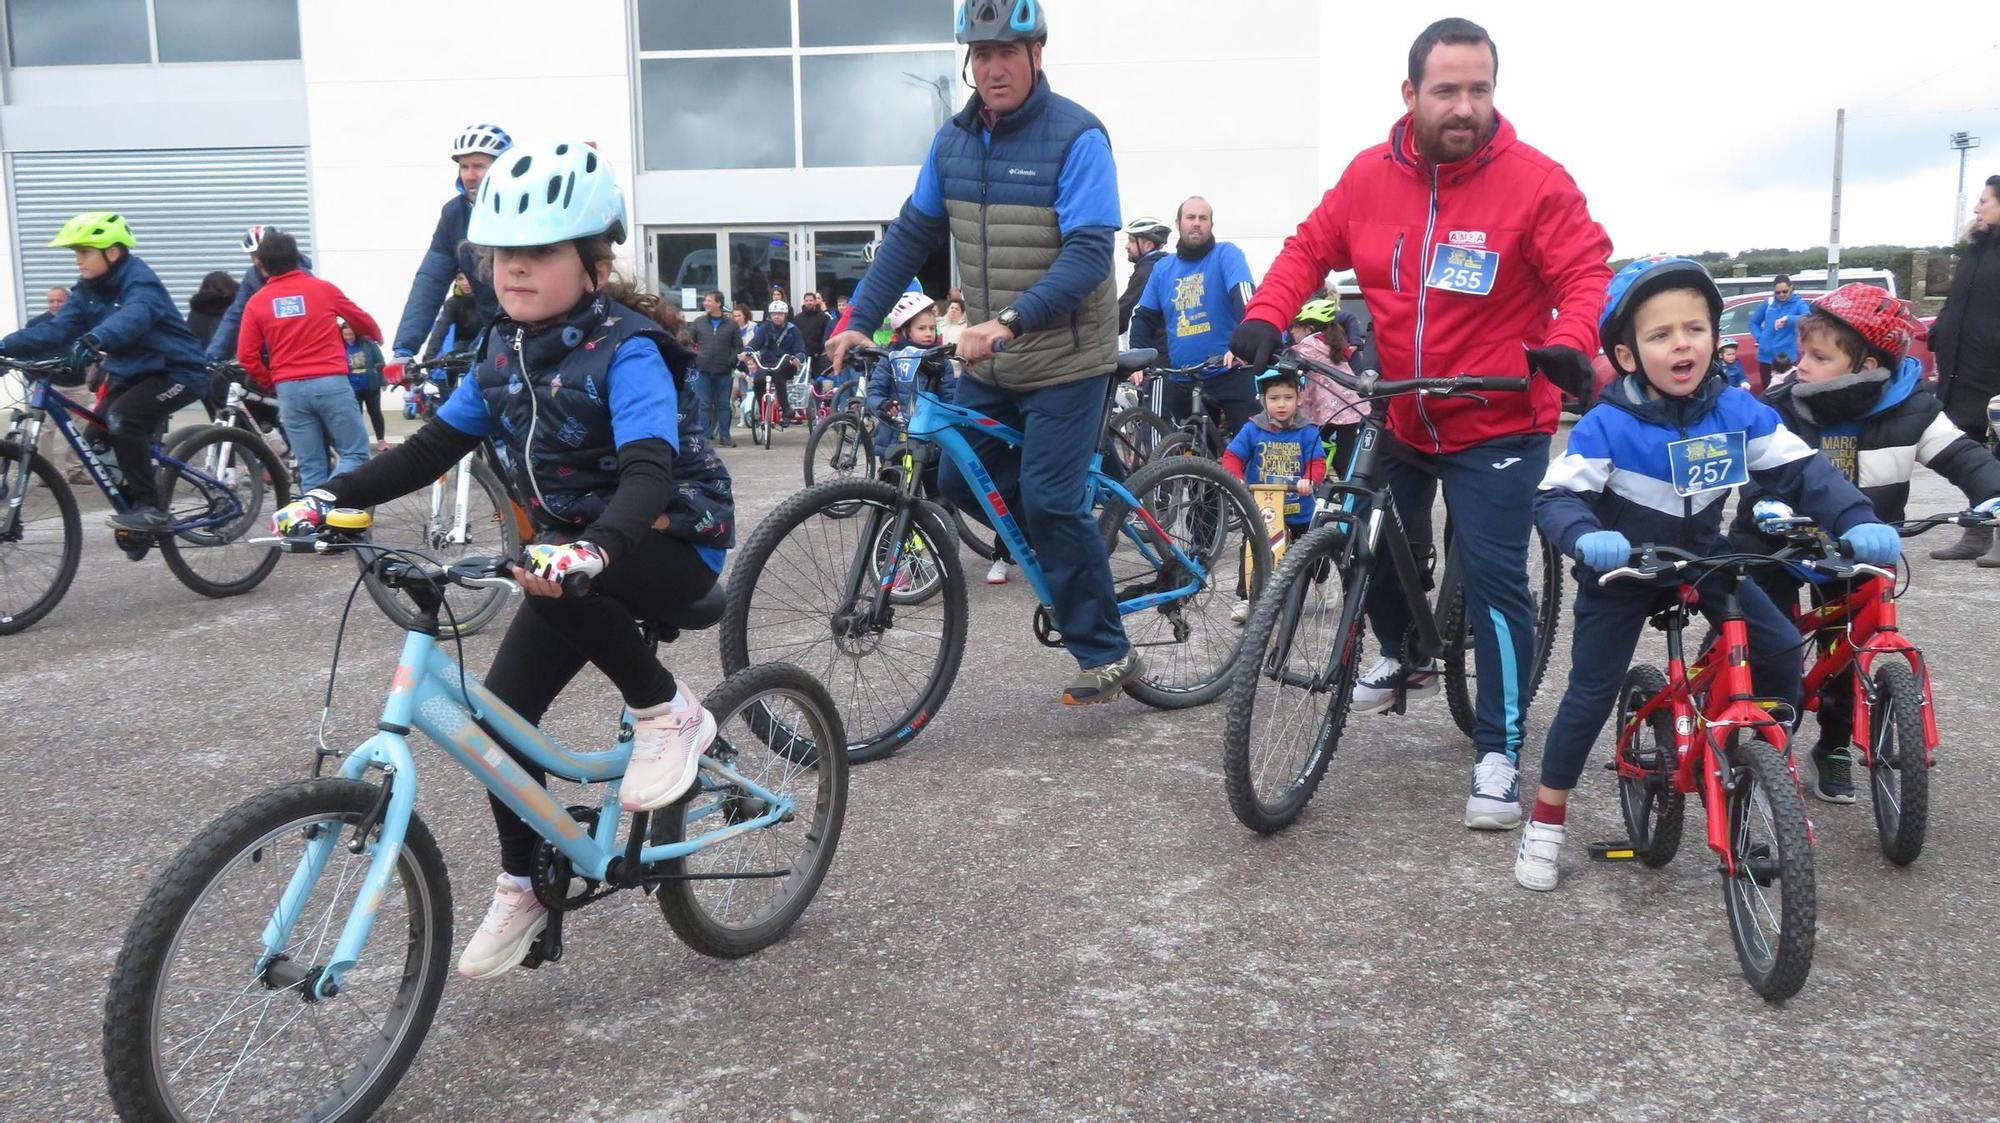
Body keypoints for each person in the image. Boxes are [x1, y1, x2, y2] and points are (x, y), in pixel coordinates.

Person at [271, 139, 734, 981]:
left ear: (591, 262)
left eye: (538, 252)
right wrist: (336, 494)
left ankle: (670, 711)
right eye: (500, 253)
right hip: (572, 561)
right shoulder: (500, 350)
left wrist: (596, 545)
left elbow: (646, 472)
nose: (512, 270)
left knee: (558, 576)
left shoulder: (628, 348)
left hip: (671, 540)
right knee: (497, 721)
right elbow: (432, 447)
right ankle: (523, 881)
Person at [1230, 17, 1613, 829]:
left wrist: (1572, 342)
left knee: (1499, 585)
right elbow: (1308, 246)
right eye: (1448, 90)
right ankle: (1403, 652)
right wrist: (1268, 312)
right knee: (1366, 534)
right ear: (1411, 95)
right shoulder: (1369, 176)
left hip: (1498, 416)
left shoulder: (1537, 183)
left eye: (1480, 89)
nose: (1465, 106)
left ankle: (1499, 753)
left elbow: (1585, 273)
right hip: (1401, 405)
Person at [1517, 257, 1895, 891]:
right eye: (1660, 334)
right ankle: (1546, 818)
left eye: (1693, 327)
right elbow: (1556, 496)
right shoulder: (1610, 423)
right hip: (1626, 569)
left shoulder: (1736, 411)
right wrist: (1588, 537)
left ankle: (1750, 759)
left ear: (1714, 337)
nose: (1680, 343)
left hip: (1706, 560)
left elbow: (1804, 473)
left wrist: (1856, 517)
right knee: (1589, 692)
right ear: (1629, 355)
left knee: (1777, 649)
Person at [825, 0, 1140, 704]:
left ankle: (1106, 647)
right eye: (981, 54)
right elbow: (911, 234)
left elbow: (1090, 254)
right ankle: (1070, 569)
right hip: (990, 360)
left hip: (1064, 356)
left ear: (1037, 53)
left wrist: (1009, 320)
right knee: (962, 481)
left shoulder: (1078, 137)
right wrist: (858, 319)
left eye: (1007, 52)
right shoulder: (953, 143)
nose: (993, 68)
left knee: (1049, 497)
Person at [1728, 283, 2000, 801]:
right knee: (1774, 647)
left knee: (1845, 652)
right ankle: (1765, 749)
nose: (1800, 365)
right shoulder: (1785, 406)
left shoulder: (1914, 410)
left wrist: (1994, 493)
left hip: (1860, 552)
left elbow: (1965, 456)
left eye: (1819, 356)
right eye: (1803, 352)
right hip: (1776, 544)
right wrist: (1767, 503)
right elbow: (1760, 472)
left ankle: (1830, 747)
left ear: (1866, 362)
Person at [0, 212, 210, 531]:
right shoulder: (87, 290)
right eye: (76, 253)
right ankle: (132, 509)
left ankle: (150, 508)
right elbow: (55, 330)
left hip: (178, 371)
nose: (78, 261)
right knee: (95, 439)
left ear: (112, 252)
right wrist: (4, 347)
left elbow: (134, 316)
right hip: (130, 374)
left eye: (84, 252)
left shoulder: (141, 280)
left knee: (124, 419)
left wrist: (97, 337)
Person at [236, 231, 381, 492]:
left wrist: (272, 381)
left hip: (289, 390)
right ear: (296, 258)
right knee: (355, 455)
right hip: (331, 384)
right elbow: (360, 320)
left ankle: (313, 527)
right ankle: (336, 509)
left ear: (261, 263)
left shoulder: (257, 303)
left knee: (311, 466)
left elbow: (246, 355)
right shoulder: (323, 290)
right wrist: (375, 335)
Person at [1130, 197, 1260, 435]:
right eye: (1190, 217)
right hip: (1183, 378)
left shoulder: (1226, 254)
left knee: (1249, 449)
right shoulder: (1163, 269)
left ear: (1211, 224)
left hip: (1230, 372)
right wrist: (1137, 358)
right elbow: (1143, 318)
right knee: (1184, 457)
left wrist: (1247, 340)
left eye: (1203, 218)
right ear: (1178, 223)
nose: (1197, 223)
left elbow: (1245, 297)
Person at [391, 123, 511, 361]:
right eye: (464, 166)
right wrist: (404, 349)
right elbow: (431, 280)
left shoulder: (525, 207)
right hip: (496, 331)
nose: (469, 175)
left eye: (478, 166)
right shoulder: (454, 214)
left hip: (541, 328)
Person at [1929, 174, 2000, 562]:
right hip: (1963, 372)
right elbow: (1956, 301)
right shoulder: (1975, 250)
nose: (1976, 208)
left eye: (1985, 201)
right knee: (1971, 456)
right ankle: (1976, 534)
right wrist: (1940, 331)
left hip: (1994, 374)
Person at [1221, 366, 1325, 623]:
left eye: (1288, 398)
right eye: (1274, 398)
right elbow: (1232, 457)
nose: (1281, 404)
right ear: (1262, 400)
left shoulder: (1307, 430)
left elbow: (1317, 462)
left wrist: (1309, 479)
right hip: (1263, 508)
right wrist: (1237, 478)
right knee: (1251, 549)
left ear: (1299, 398)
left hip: (1297, 507)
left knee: (1309, 550)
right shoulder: (1253, 429)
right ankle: (1247, 598)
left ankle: (1322, 582)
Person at [205, 224, 316, 362]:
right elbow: (235, 314)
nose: (256, 261)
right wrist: (213, 354)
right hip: (268, 352)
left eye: (259, 254)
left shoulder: (303, 275)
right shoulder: (252, 276)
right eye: (252, 255)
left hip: (301, 353)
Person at [1290, 299, 1369, 479]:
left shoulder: (1310, 344)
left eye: (1295, 326)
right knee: (1342, 459)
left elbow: (1288, 357)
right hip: (1348, 408)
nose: (1292, 331)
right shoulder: (1328, 342)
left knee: (1315, 451)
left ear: (1309, 328)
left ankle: (1344, 496)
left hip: (1332, 409)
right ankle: (1341, 492)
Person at [744, 299, 805, 428]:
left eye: (780, 314)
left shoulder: (793, 330)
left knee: (778, 373)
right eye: (774, 314)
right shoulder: (764, 328)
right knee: (758, 381)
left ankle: (786, 408)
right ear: (770, 315)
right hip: (767, 363)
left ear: (785, 315)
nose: (776, 316)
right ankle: (762, 412)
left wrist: (797, 357)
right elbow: (755, 342)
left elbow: (800, 349)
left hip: (786, 363)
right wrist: (748, 351)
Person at [689, 290, 738, 446]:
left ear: (718, 303)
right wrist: (696, 358)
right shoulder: (698, 322)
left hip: (724, 371)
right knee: (703, 404)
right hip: (703, 370)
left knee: (723, 404)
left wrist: (730, 362)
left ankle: (725, 436)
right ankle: (703, 437)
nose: (706, 303)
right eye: (705, 300)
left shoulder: (731, 324)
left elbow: (738, 347)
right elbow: (689, 343)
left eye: (709, 301)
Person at [1749, 274, 1810, 385]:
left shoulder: (1798, 304)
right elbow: (1753, 322)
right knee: (1767, 393)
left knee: (1785, 393)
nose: (1781, 295)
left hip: (1786, 359)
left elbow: (1807, 318)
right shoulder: (1768, 303)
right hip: (1765, 358)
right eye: (1778, 292)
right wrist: (1760, 338)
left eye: (1785, 291)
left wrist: (1788, 319)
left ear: (1791, 287)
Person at [1116, 215, 1170, 335]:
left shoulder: (1147, 271)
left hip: (1153, 347)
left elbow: (1124, 311)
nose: (1126, 246)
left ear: (1148, 245)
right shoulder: (1162, 266)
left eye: (1131, 240)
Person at [343, 320, 389, 450]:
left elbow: (380, 362)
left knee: (375, 412)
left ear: (356, 334)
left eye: (351, 334)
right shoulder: (341, 346)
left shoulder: (368, 344)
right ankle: (360, 443)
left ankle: (381, 440)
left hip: (371, 385)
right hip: (352, 387)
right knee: (355, 416)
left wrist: (383, 381)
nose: (348, 338)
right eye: (345, 334)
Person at [421, 273, 485, 361]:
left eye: (468, 277)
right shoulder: (452, 303)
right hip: (463, 345)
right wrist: (429, 357)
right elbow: (441, 328)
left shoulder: (488, 298)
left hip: (487, 341)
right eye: (461, 279)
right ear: (456, 281)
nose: (465, 283)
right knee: (453, 362)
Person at [185, 271, 237, 349]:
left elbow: (189, 342)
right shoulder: (236, 312)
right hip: (233, 360)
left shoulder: (195, 313)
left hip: (200, 358)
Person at [794, 290, 833, 380]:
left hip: (819, 355)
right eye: (806, 300)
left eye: (811, 300)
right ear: (804, 302)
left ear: (815, 301)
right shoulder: (797, 318)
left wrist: (821, 347)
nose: (809, 303)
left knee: (820, 381)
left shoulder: (824, 317)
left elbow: (827, 335)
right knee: (802, 380)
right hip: (803, 354)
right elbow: (795, 336)